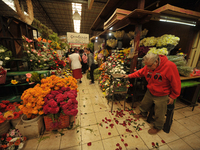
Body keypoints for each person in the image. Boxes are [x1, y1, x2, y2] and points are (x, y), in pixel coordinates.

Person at [124, 53, 181, 134]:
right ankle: (143, 114)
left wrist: (173, 96)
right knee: (144, 103)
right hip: (151, 90)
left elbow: (176, 82)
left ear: (156, 62)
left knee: (159, 112)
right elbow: (140, 72)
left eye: (149, 66)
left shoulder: (170, 66)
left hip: (162, 94)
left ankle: (158, 126)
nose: (147, 68)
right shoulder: (149, 66)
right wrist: (129, 76)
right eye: (146, 65)